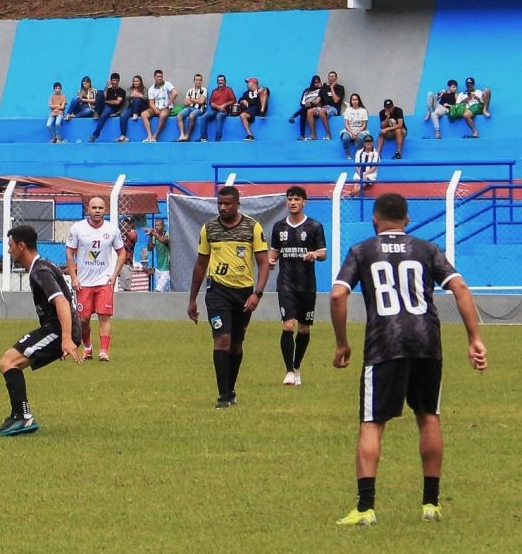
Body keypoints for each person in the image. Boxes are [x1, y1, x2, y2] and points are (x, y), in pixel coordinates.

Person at [330, 193, 487, 526]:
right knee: (429, 417)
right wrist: (474, 338)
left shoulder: (362, 250)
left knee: (372, 423)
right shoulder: (426, 248)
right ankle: (431, 504)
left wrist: (342, 343)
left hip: (384, 343)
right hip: (427, 342)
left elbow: (338, 294)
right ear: (407, 220)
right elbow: (459, 287)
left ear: (375, 220)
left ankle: (365, 508)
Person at [187, 186, 270, 408]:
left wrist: (257, 294)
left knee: (236, 345)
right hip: (217, 292)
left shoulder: (252, 227)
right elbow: (201, 264)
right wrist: (192, 298)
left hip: (244, 293)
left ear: (237, 204)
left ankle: (231, 389)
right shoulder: (209, 229)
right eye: (220, 203)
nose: (223, 207)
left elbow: (263, 263)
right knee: (222, 340)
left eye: (228, 204)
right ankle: (223, 396)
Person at [0, 225, 82, 437]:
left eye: (10, 246)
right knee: (11, 364)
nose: (8, 251)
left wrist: (66, 339)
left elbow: (61, 302)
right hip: (56, 329)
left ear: (21, 246)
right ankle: (19, 415)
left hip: (58, 330)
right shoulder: (42, 266)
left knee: (8, 362)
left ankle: (23, 417)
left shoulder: (40, 271)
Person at [268, 186, 326, 386]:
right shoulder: (278, 227)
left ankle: (297, 365)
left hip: (307, 285)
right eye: (290, 199)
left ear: (304, 202)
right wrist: (270, 261)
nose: (292, 202)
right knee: (288, 325)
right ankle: (289, 371)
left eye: (296, 199)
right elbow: (274, 253)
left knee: (304, 330)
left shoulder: (314, 226)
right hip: (286, 284)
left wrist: (314, 254)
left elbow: (323, 253)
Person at [65, 196, 126, 361]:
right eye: (94, 208)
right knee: (83, 319)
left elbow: (122, 253)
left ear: (105, 210)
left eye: (100, 208)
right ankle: (88, 347)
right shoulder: (78, 229)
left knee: (104, 316)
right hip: (83, 282)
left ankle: (104, 351)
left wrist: (114, 276)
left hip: (104, 281)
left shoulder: (112, 230)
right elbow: (70, 252)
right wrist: (74, 277)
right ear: (88, 210)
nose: (97, 211)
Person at [141, 70, 178, 142]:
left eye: (161, 76)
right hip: (156, 108)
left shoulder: (167, 84)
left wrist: (168, 104)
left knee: (163, 115)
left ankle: (155, 136)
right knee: (143, 114)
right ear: (154, 77)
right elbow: (151, 103)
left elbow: (175, 93)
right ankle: (149, 136)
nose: (160, 78)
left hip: (166, 108)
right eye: (158, 76)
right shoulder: (151, 89)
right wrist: (155, 109)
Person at [308, 70, 345, 141]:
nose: (331, 78)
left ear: (336, 78)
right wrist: (310, 101)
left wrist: (332, 88)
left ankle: (328, 134)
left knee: (322, 111)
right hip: (323, 108)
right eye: (329, 76)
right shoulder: (323, 88)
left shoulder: (340, 88)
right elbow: (317, 101)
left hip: (334, 109)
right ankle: (313, 135)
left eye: (332, 76)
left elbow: (336, 100)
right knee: (310, 111)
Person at [88, 73, 125, 143]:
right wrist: (106, 87)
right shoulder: (108, 89)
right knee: (99, 92)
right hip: (103, 107)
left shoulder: (122, 91)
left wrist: (106, 101)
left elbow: (117, 102)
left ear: (119, 81)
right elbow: (103, 97)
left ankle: (95, 135)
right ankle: (97, 112)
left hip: (111, 109)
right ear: (111, 81)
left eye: (116, 80)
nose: (115, 82)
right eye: (113, 80)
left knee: (103, 115)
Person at [199, 74, 237, 142]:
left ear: (225, 81)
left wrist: (224, 105)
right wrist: (218, 107)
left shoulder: (228, 90)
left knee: (218, 116)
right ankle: (203, 138)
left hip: (224, 111)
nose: (220, 81)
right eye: (219, 80)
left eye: (222, 80)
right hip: (214, 110)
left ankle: (218, 138)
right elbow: (211, 102)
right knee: (203, 117)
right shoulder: (214, 91)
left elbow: (234, 100)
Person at [175, 73, 207, 142]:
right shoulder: (190, 90)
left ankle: (187, 136)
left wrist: (191, 99)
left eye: (200, 80)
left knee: (191, 116)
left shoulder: (204, 90)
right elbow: (185, 102)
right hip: (189, 108)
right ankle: (182, 135)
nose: (198, 81)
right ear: (194, 81)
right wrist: (196, 100)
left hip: (199, 109)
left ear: (201, 81)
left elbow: (201, 102)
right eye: (196, 80)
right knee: (179, 116)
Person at [116, 75, 148, 142]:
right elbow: (127, 96)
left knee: (137, 99)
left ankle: (135, 114)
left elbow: (146, 98)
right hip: (132, 107)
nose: (135, 82)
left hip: (142, 108)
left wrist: (139, 95)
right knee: (123, 115)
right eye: (134, 81)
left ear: (140, 82)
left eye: (137, 81)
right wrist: (132, 95)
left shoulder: (144, 89)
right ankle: (123, 136)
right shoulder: (130, 89)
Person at [291, 75, 322, 140]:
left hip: (315, 106)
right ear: (312, 82)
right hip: (306, 106)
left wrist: (321, 88)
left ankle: (294, 116)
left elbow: (318, 100)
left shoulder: (320, 90)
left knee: (309, 105)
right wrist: (305, 104)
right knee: (303, 113)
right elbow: (302, 101)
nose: (316, 84)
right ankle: (302, 135)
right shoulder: (307, 90)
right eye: (315, 82)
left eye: (317, 82)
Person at [340, 93, 371, 159]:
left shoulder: (363, 110)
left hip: (361, 129)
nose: (354, 101)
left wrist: (357, 132)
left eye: (356, 100)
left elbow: (364, 125)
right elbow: (346, 124)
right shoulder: (348, 110)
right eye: (353, 100)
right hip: (350, 129)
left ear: (359, 100)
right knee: (345, 138)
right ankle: (347, 153)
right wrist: (352, 132)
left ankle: (358, 153)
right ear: (351, 101)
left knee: (360, 138)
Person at [145, 218, 171, 292]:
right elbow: (150, 248)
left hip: (167, 269)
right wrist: (150, 236)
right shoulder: (155, 237)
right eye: (155, 225)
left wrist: (153, 234)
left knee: (158, 290)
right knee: (164, 291)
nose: (157, 227)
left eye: (159, 225)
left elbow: (163, 240)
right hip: (158, 269)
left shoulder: (167, 234)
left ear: (163, 226)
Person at [116, 216, 139, 290]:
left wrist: (123, 229)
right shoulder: (118, 233)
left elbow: (130, 238)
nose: (126, 224)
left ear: (132, 224)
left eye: (129, 223)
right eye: (125, 222)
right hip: (116, 262)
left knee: (125, 288)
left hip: (126, 263)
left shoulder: (133, 233)